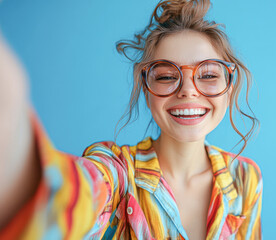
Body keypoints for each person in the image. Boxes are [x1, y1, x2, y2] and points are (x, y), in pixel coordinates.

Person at [0, 0, 262, 239]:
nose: (188, 90)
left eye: (207, 75)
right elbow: (78, 191)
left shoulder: (246, 177)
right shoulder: (119, 173)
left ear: (229, 87)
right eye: (166, 76)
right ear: (146, 91)